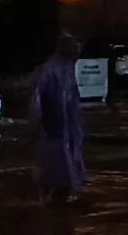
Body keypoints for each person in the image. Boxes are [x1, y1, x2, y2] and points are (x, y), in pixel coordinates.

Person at [33, 31, 88, 203]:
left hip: (67, 126)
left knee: (65, 162)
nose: (78, 51)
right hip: (54, 125)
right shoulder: (49, 70)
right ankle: (51, 196)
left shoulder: (67, 67)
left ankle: (62, 195)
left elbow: (72, 97)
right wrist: (36, 124)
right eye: (75, 46)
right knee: (55, 164)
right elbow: (36, 98)